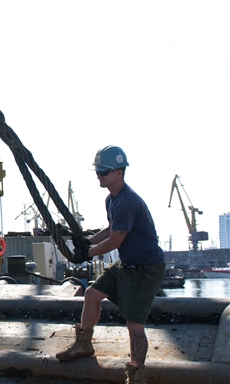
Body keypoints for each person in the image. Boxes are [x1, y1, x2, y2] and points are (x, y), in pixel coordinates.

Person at [56, 146, 165, 384]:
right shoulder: (112, 199)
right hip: (128, 265)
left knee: (134, 325)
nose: (100, 175)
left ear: (120, 172)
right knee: (92, 294)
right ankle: (84, 344)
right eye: (98, 171)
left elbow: (115, 241)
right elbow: (110, 229)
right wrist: (87, 242)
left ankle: (136, 376)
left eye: (104, 171)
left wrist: (86, 254)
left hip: (146, 270)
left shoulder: (127, 202)